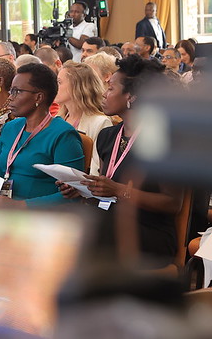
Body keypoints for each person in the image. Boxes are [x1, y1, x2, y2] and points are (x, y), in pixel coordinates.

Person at [66, 55, 183, 266]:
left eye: (110, 88)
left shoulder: (162, 138)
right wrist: (83, 190)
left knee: (88, 228)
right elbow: (105, 192)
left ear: (132, 96)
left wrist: (119, 190)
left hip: (150, 232)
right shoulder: (108, 136)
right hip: (111, 222)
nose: (104, 93)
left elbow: (173, 203)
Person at [0, 63, 85, 211]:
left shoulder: (63, 135)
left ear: (38, 97)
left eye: (17, 91)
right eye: (11, 91)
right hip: (4, 212)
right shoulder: (10, 128)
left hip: (42, 216)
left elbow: (73, 194)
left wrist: (20, 205)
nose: (10, 98)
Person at [55, 61, 112, 146]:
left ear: (76, 87)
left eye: (59, 82)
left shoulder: (100, 123)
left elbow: (97, 155)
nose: (54, 86)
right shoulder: (58, 118)